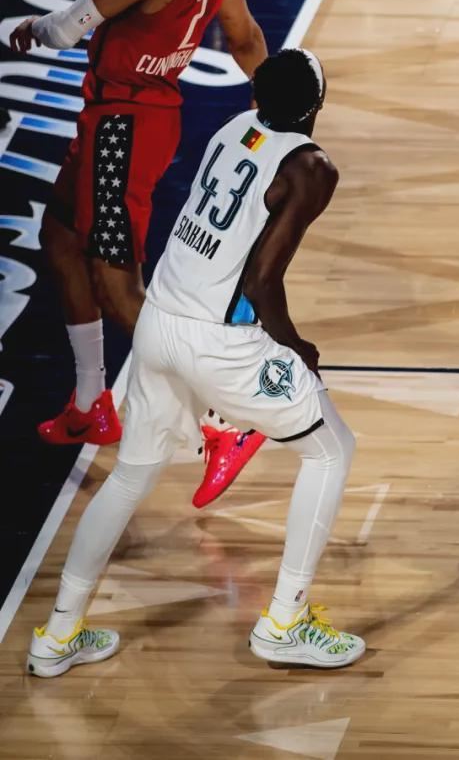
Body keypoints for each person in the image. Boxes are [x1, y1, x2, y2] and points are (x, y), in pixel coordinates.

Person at [26, 49, 365, 677]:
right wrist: (296, 346)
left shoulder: (234, 126)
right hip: (219, 342)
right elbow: (262, 281)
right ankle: (284, 623)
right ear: (317, 105)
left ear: (258, 96)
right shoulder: (312, 167)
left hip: (158, 323)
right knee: (331, 451)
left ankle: (59, 634)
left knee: (130, 478)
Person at [8, 0, 279, 507]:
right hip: (132, 121)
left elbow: (62, 31)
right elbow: (244, 38)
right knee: (60, 238)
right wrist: (276, 100)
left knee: (118, 285)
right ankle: (90, 403)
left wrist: (24, 26)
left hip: (121, 131)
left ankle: (225, 420)